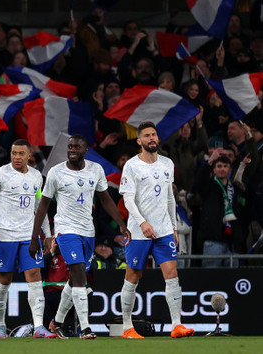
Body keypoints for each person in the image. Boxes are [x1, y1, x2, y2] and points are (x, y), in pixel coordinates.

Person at [29, 134, 127, 340]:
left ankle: (56, 322)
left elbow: (105, 199)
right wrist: (34, 237)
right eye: (69, 147)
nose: (72, 150)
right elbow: (44, 205)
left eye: (76, 147)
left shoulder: (96, 170)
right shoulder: (56, 172)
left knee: (74, 278)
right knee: (79, 272)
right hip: (66, 229)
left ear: (85, 150)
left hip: (87, 231)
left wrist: (121, 223)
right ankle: (86, 328)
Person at [118, 121, 194, 339]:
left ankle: (177, 325)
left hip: (163, 231)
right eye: (147, 136)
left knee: (172, 275)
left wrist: (173, 227)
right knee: (133, 276)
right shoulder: (131, 166)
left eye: (154, 135)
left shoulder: (167, 163)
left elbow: (170, 197)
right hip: (138, 231)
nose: (152, 138)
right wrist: (142, 222)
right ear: (139, 141)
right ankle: (126, 327)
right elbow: (128, 200)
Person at [0, 139, 55, 339]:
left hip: (29, 236)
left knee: (35, 276)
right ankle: (0, 326)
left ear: (29, 155)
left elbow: (40, 208)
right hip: (5, 236)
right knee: (3, 280)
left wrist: (47, 235)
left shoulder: (37, 177)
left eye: (21, 153)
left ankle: (39, 327)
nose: (17, 157)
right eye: (14, 153)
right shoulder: (0, 175)